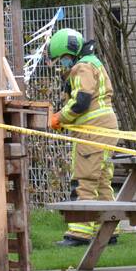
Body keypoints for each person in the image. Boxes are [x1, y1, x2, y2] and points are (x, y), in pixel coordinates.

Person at [47, 28, 120, 247]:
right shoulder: (93, 63)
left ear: (71, 51)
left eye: (63, 58)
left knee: (84, 179)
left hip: (92, 131)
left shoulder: (83, 67)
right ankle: (108, 230)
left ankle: (79, 232)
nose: (64, 63)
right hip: (105, 128)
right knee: (102, 180)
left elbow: (81, 102)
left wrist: (59, 117)